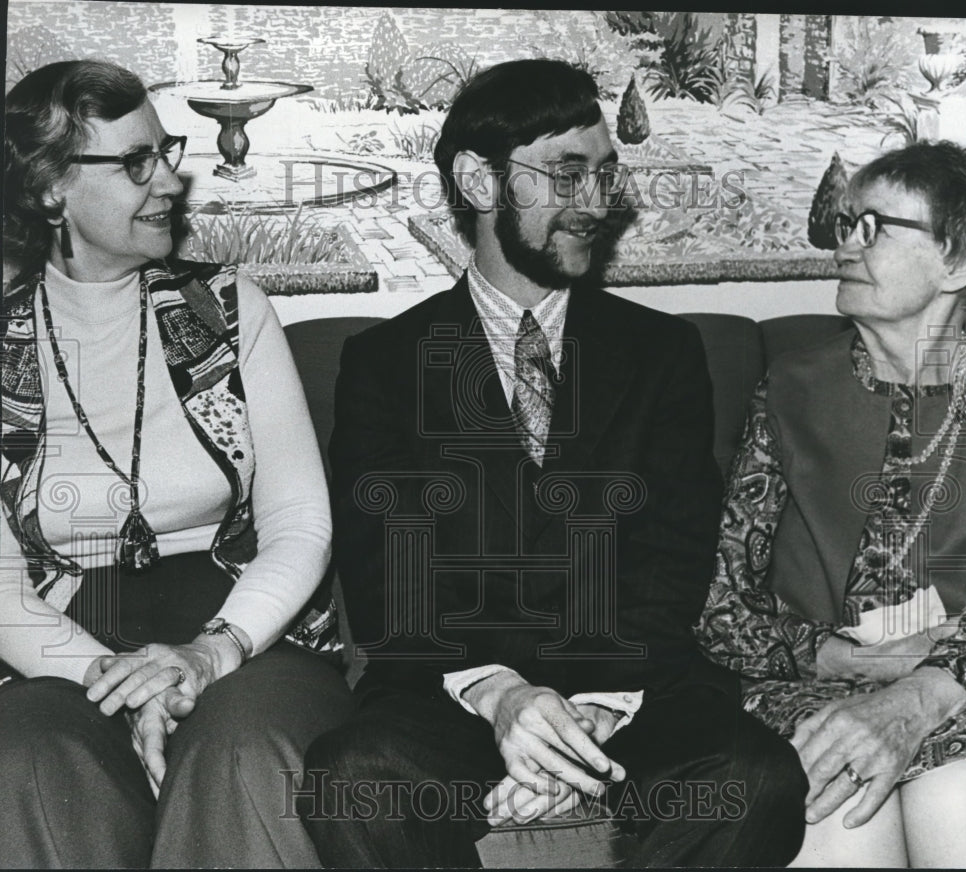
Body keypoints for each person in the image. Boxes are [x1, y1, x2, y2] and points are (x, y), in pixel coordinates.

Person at [299, 58, 807, 868]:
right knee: (356, 779)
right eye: (567, 175)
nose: (596, 204)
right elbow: (389, 573)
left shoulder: (662, 352)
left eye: (605, 176)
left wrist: (589, 721)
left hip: (632, 696)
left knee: (751, 778)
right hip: (460, 694)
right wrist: (505, 700)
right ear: (477, 180)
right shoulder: (386, 363)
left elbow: (676, 556)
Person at [0, 60, 353, 867]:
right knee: (27, 759)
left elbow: (301, 522)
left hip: (241, 627)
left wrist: (210, 652)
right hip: (60, 645)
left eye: (164, 151)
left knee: (243, 751)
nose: (167, 179)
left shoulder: (229, 309)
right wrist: (120, 682)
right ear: (52, 188)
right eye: (134, 163)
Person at [697, 141, 966, 868]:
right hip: (812, 689)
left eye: (877, 227)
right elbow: (719, 608)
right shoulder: (792, 388)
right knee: (835, 790)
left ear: (958, 263)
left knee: (958, 790)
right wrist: (833, 656)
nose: (846, 245)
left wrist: (928, 681)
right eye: (845, 223)